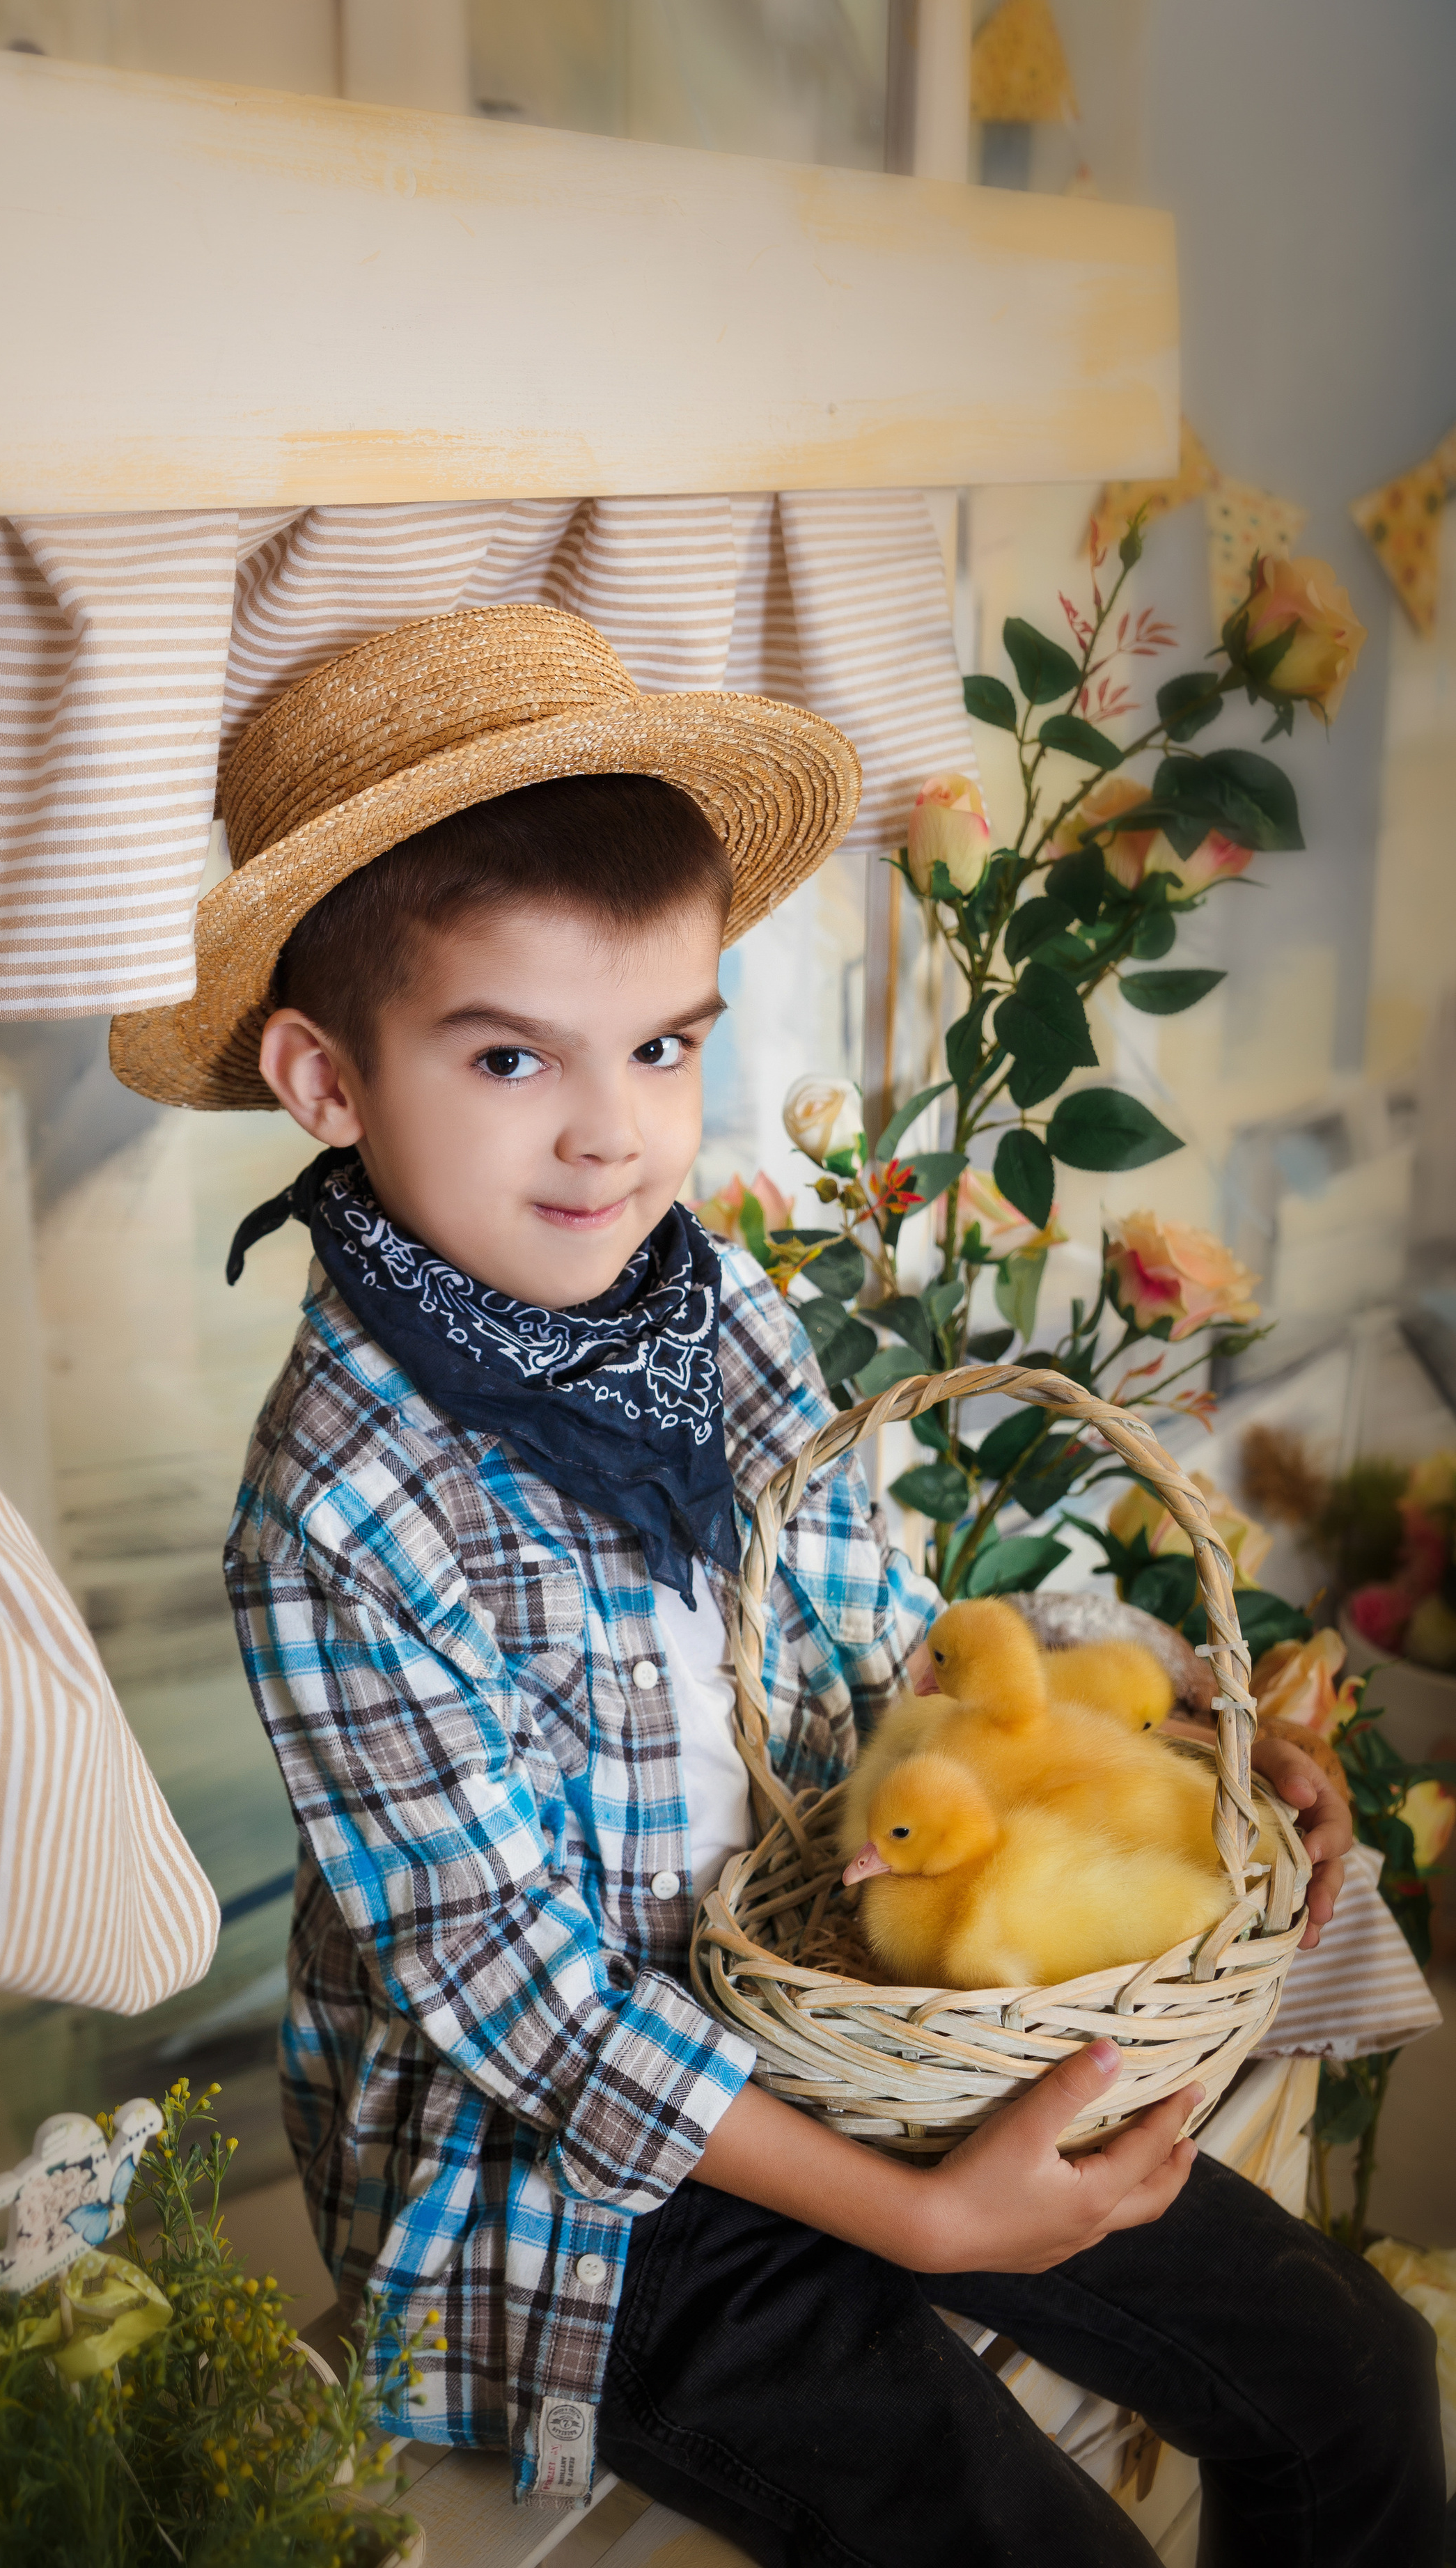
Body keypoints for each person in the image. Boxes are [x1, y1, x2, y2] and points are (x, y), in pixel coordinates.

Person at [110, 605, 1441, 2567]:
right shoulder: (340, 1508)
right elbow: (518, 1994)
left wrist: (1150, 1730)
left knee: (1357, 2373)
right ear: (326, 1078)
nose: (613, 1131)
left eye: (663, 1044)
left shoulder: (705, 1299)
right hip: (588, 2186)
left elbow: (879, 1633)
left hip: (854, 2011)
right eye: (511, 1056)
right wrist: (922, 2221)